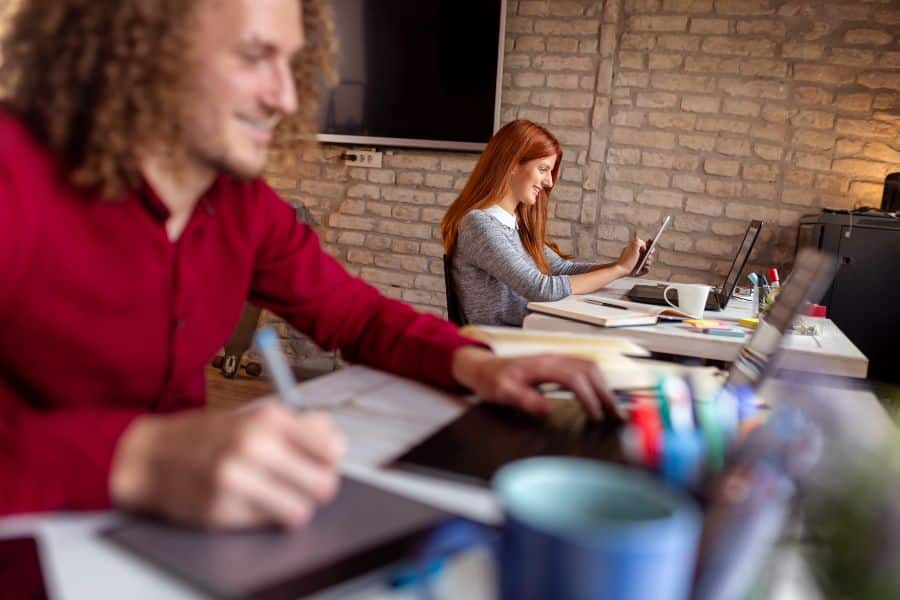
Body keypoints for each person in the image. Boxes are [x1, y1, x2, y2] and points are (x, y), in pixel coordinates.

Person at [0, 0, 622, 529]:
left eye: (292, 63)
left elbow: (356, 317)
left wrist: (475, 366)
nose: (287, 96)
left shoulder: (240, 205)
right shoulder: (15, 174)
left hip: (168, 538)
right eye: (253, 56)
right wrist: (136, 460)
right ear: (137, 50)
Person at [441, 120, 654, 327]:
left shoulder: (514, 224)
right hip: (504, 344)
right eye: (543, 169)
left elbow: (562, 269)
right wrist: (618, 269)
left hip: (529, 333)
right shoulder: (479, 225)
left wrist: (625, 267)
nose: (549, 182)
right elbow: (541, 288)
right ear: (512, 164)